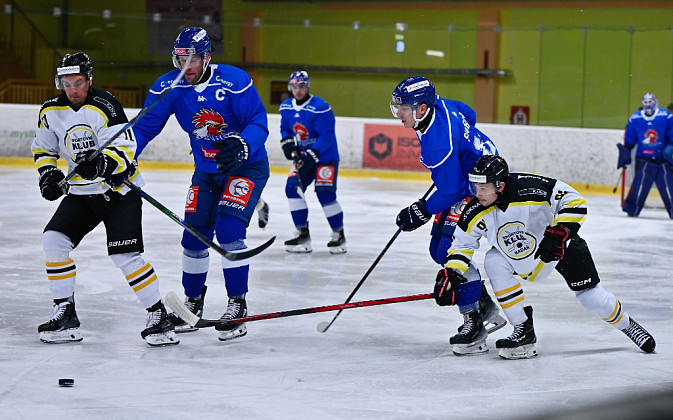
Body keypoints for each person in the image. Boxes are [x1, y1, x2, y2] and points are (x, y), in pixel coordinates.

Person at [436, 155, 656, 359]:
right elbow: (461, 246)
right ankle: (523, 330)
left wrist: (561, 232)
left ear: (500, 185)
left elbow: (575, 201)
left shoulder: (532, 188)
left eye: (483, 188)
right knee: (493, 260)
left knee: (591, 297)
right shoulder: (475, 210)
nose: (477, 194)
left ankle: (628, 325)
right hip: (521, 257)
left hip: (559, 248)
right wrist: (452, 275)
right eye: (476, 187)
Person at [30, 52, 178, 347]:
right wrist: (47, 175)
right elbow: (44, 149)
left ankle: (158, 315)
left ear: (89, 80)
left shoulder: (106, 106)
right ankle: (65, 313)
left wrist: (101, 164)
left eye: (78, 82)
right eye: (66, 83)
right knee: (54, 240)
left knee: (125, 256)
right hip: (82, 194)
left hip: (118, 192)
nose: (72, 89)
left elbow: (125, 149)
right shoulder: (50, 111)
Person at [132, 27, 270, 341]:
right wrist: (124, 157)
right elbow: (144, 128)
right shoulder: (168, 86)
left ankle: (238, 304)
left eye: (193, 59)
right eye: (180, 58)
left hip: (245, 168)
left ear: (207, 57)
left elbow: (258, 122)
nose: (187, 66)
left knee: (229, 231)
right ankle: (192, 304)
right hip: (206, 172)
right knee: (193, 237)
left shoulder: (233, 81)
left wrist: (243, 144)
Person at [390, 76, 505, 355]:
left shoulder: (438, 146)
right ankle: (482, 303)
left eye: (404, 108)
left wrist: (420, 210)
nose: (399, 114)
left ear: (421, 108)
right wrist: (464, 153)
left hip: (477, 187)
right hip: (477, 173)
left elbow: (452, 190)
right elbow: (470, 114)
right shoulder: (441, 105)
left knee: (448, 249)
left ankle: (473, 322)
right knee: (437, 247)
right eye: (397, 107)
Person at [279, 71, 346, 254]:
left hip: (326, 157)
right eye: (294, 86)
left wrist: (312, 154)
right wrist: (288, 144)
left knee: (325, 193)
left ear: (308, 86)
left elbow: (327, 135)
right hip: (303, 156)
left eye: (301, 86)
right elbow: (285, 129)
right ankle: (302, 233)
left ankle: (338, 235)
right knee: (292, 188)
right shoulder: (286, 107)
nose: (298, 90)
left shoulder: (320, 107)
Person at [617, 92, 673, 218]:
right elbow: (629, 139)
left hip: (662, 159)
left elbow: (672, 135)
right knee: (640, 187)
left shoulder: (666, 116)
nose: (648, 105)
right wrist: (625, 153)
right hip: (643, 159)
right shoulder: (635, 118)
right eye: (646, 102)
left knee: (669, 187)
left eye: (650, 102)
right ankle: (632, 208)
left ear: (655, 103)